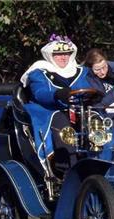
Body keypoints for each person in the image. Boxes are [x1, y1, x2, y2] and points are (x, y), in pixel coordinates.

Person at [20, 33, 90, 171]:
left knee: (99, 122)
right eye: (58, 54)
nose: (63, 57)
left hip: (79, 108)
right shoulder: (39, 72)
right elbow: (40, 94)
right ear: (50, 56)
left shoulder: (83, 72)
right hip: (48, 110)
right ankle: (67, 168)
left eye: (66, 53)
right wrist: (57, 94)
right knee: (62, 123)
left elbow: (96, 87)